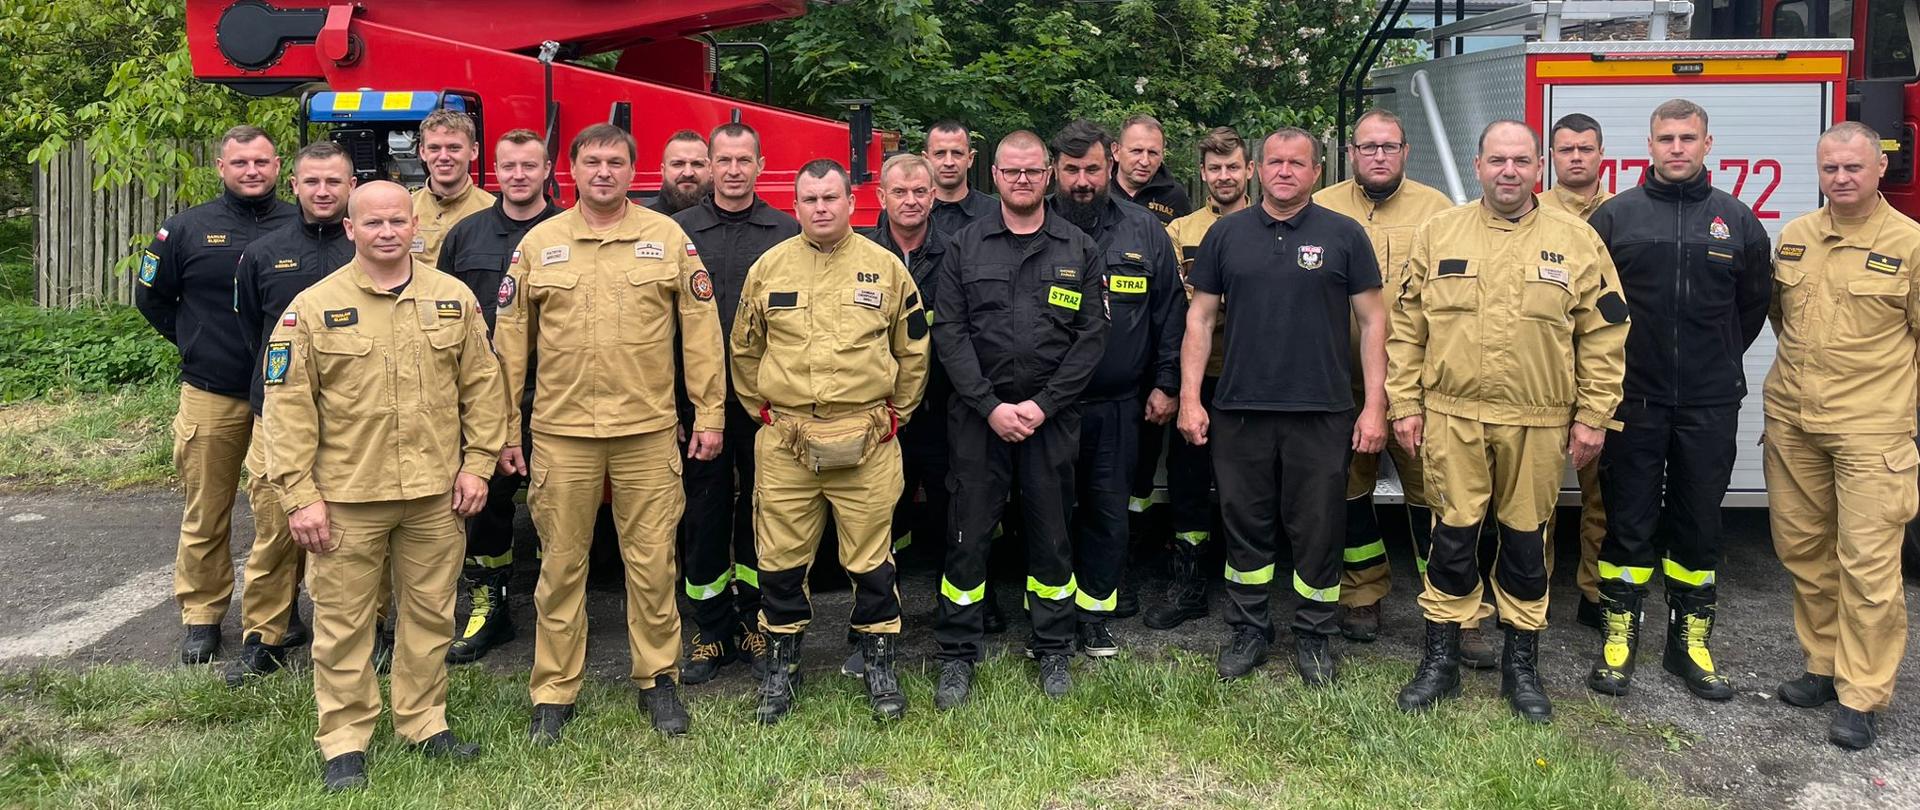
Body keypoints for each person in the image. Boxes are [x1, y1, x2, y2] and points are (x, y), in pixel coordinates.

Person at [263, 180, 506, 791]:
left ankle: (424, 722)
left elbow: (483, 387)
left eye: (397, 221)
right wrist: (300, 497)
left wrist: (478, 465)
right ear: (350, 229)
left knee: (429, 614)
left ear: (414, 226)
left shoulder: (453, 300)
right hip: (347, 497)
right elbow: (288, 410)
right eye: (372, 223)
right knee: (344, 622)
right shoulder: (312, 309)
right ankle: (344, 739)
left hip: (434, 494)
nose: (387, 232)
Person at [1389, 120, 1629, 724]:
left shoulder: (1577, 240)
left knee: (1526, 543)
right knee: (1451, 538)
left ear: (1538, 167)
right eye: (1497, 160)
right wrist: (1405, 403)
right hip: (1452, 415)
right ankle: (1439, 660)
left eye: (1521, 161)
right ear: (1478, 165)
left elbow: (1604, 334)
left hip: (1539, 421)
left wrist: (1594, 416)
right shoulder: (1439, 233)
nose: (1509, 171)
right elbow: (1407, 329)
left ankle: (1520, 665)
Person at [494, 124, 727, 741]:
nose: (604, 172)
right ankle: (553, 691)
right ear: (568, 170)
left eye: (616, 162)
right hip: (562, 434)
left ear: (633, 169)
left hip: (647, 432)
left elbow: (701, 331)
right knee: (560, 566)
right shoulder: (538, 245)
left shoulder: (666, 237)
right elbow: (509, 345)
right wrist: (504, 429)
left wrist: (709, 412)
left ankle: (659, 680)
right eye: (592, 161)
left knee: (652, 564)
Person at [1179, 127, 1388, 686]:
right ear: (1256, 169)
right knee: (1245, 524)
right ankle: (1249, 629)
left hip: (1322, 411)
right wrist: (1190, 398)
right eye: (1274, 162)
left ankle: (1314, 635)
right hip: (1240, 408)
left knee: (1317, 528)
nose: (1284, 171)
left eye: (1297, 163)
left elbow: (1374, 322)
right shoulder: (1227, 235)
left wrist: (1373, 407)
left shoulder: (1344, 235)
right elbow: (1199, 319)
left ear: (1316, 172)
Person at [1583, 100, 1772, 702]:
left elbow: (1751, 307)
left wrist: (1713, 361)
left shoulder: (1737, 221)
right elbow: (1589, 312)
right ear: (1649, 144)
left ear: (1708, 144)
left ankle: (1688, 643)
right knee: (1627, 522)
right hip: (1632, 398)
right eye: (1666, 138)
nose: (1677, 148)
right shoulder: (1616, 218)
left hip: (1710, 403)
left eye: (1688, 138)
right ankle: (1619, 640)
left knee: (1699, 523)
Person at [730, 158, 931, 724]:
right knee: (780, 561)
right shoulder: (768, 269)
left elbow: (913, 351)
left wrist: (896, 417)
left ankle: (879, 665)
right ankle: (781, 671)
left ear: (852, 203)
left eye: (831, 198)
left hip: (867, 439)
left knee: (871, 561)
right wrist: (766, 413)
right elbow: (745, 350)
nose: (821, 208)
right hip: (787, 441)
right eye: (810, 199)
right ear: (795, 207)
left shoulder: (886, 270)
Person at [931, 130, 1108, 709]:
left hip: (1049, 420)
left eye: (1034, 172)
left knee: (1052, 535)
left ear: (1049, 176)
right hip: (978, 419)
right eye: (1013, 172)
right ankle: (957, 653)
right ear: (996, 178)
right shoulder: (963, 245)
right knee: (967, 536)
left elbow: (1090, 339)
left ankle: (1053, 646)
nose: (1024, 180)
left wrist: (1041, 405)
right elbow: (949, 333)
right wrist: (990, 405)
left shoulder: (1078, 247)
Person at [1764, 121, 1920, 750]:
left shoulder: (1909, 244)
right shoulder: (1796, 238)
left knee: (1870, 564)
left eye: (1854, 167)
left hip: (1871, 430)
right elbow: (1781, 319)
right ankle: (1823, 665)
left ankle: (1862, 692)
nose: (1842, 178)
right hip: (1795, 421)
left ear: (1880, 168)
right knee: (1804, 551)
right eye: (1831, 168)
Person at [1310, 109, 1472, 658]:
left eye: (1389, 146)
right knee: (1349, 493)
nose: (1378, 156)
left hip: (1419, 389)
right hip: (1340, 386)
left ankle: (1451, 602)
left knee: (1438, 497)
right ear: (1351, 154)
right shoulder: (1321, 208)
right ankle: (1362, 592)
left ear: (1406, 152)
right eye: (1367, 146)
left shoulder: (1439, 212)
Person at [135, 124, 298, 665]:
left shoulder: (304, 226)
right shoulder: (184, 230)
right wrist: (197, 344)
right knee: (207, 510)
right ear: (221, 168)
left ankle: (275, 615)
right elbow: (153, 300)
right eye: (240, 163)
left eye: (262, 162)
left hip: (283, 398)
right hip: (214, 392)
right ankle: (202, 616)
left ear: (279, 167)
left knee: (280, 510)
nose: (252, 171)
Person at [1047, 120, 1183, 656]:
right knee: (1050, 513)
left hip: (1118, 404)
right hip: (1049, 408)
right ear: (1056, 170)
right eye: (1072, 169)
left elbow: (1169, 311)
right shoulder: (1035, 226)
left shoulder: (1143, 229)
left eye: (1092, 169)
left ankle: (1096, 615)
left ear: (1111, 166)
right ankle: (1053, 614)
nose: (1082, 181)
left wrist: (1166, 382)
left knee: (1108, 512)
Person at [223, 140, 357, 685]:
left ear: (352, 186)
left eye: (334, 182)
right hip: (278, 416)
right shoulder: (262, 253)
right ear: (295, 185)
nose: (323, 191)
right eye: (313, 182)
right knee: (277, 530)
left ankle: (362, 632)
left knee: (356, 534)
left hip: (355, 419)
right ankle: (267, 636)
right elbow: (248, 329)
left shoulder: (371, 248)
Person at [671, 122, 800, 683]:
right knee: (703, 514)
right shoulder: (677, 231)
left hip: (765, 401)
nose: (732, 170)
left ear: (760, 164)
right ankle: (710, 630)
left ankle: (753, 620)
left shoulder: (784, 231)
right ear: (709, 164)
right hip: (698, 404)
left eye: (743, 160)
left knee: (761, 512)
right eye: (722, 160)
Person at [434, 128, 563, 663]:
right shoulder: (465, 236)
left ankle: (562, 613)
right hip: (483, 396)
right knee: (485, 506)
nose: (518, 175)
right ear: (495, 168)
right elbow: (438, 314)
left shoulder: (570, 230)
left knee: (561, 508)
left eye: (529, 166)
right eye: (508, 166)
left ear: (547, 169)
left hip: (559, 394)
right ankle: (492, 607)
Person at [1145, 126, 1250, 631]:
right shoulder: (1179, 231)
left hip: (1254, 379)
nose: (1224, 176)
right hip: (1199, 378)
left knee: (1246, 485)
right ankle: (1189, 584)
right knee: (1188, 481)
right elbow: (1173, 306)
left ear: (1249, 170)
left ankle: (1244, 589)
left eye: (1233, 166)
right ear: (1202, 173)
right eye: (1214, 168)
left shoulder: (1269, 224)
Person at [1538, 113, 1614, 629]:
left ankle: (1595, 593)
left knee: (1602, 497)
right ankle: (1529, 592)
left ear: (1601, 153)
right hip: (1539, 377)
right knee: (1531, 503)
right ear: (1552, 157)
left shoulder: (1627, 212)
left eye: (1586, 148)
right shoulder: (1529, 210)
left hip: (1594, 377)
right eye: (1566, 149)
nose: (1577, 157)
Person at [409, 110, 495, 267]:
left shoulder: (494, 212)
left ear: (474, 151)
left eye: (454, 148)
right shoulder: (405, 209)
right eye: (434, 148)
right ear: (422, 152)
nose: (443, 156)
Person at [1109, 114, 1193, 225]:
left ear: (1162, 156)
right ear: (1116, 151)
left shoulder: (1175, 197)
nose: (1145, 161)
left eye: (1153, 153)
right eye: (1137, 151)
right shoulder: (1098, 191)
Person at [922, 120, 1001, 236]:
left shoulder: (996, 213)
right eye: (940, 153)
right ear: (925, 159)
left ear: (970, 159)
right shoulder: (911, 212)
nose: (949, 163)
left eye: (957, 153)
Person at [650, 129, 713, 216]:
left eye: (697, 164)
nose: (688, 173)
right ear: (663, 170)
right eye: (678, 164)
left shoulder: (731, 223)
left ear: (710, 169)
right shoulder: (642, 224)